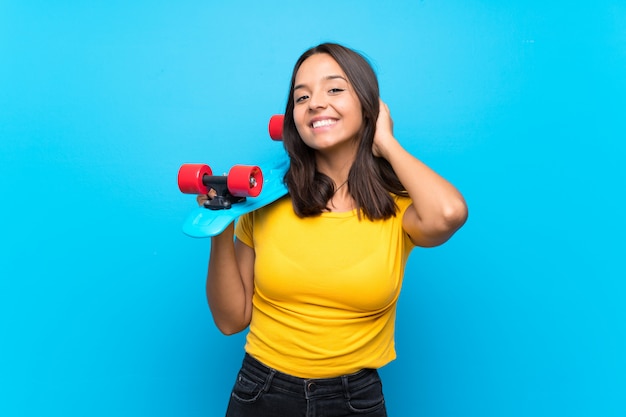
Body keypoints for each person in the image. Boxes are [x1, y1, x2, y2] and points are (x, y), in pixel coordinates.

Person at [199, 43, 468, 417]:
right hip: (261, 392)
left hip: (354, 399)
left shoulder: (398, 208)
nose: (315, 103)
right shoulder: (266, 202)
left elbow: (450, 214)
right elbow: (231, 321)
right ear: (293, 118)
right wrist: (219, 223)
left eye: (335, 89)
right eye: (302, 96)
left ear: (368, 106)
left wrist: (386, 142)